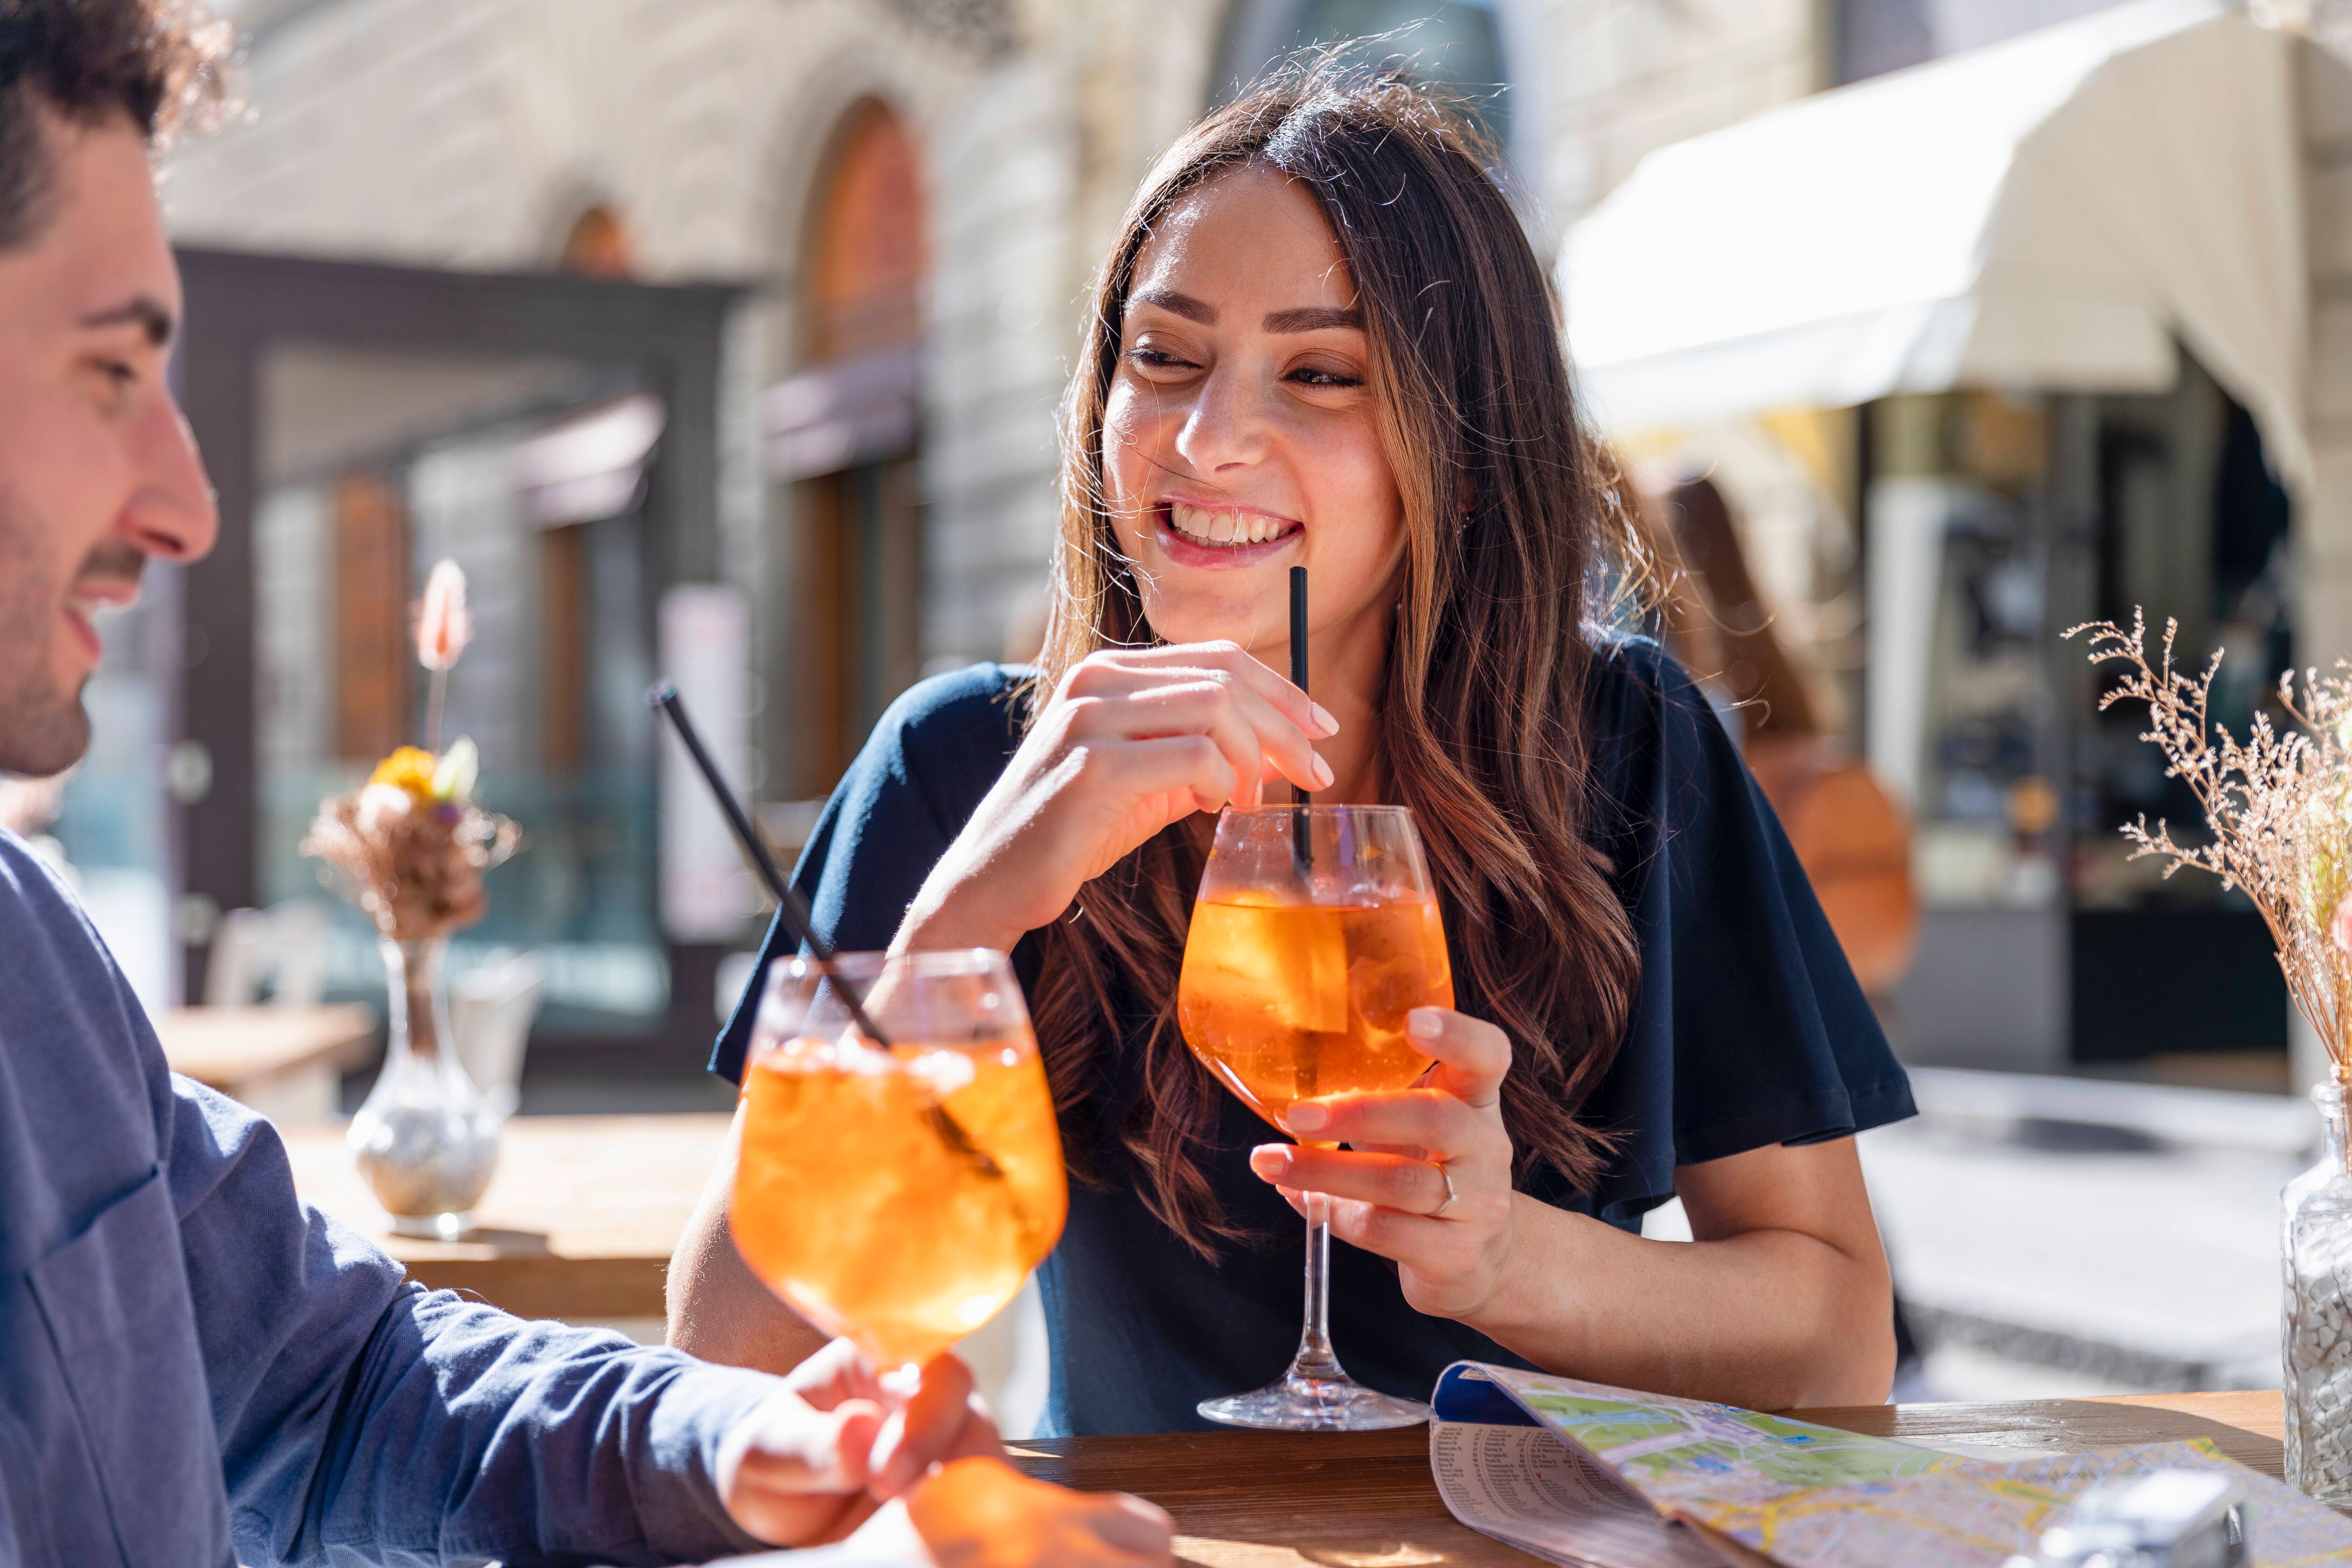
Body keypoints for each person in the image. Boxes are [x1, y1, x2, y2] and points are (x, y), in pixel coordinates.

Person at [0, 3, 1175, 1563]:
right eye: (106, 372)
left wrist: (745, 1439)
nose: (187, 504)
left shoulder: (34, 968)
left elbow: (344, 1390)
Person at [671, 59, 1917, 1436]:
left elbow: (1840, 1345)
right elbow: (726, 1362)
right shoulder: (967, 761)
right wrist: (969, 921)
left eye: (1322, 374)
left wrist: (1511, 1261)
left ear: (1459, 439)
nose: (1207, 442)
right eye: (1166, 357)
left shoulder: (1628, 747)